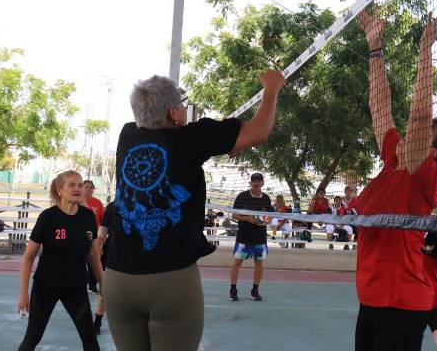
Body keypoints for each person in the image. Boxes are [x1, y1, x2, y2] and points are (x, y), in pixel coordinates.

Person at [103, 70, 285, 351]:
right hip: (170, 279)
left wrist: (220, 143)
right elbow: (259, 131)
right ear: (174, 113)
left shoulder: (127, 135)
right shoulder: (194, 138)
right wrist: (272, 88)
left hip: (118, 279)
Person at [350, 7, 437, 351]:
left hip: (401, 302)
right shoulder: (393, 161)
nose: (409, 136)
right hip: (371, 298)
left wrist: (425, 51)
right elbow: (379, 105)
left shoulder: (421, 175)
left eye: (421, 136)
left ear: (434, 153)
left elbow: (419, 115)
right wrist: (374, 47)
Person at [17, 170, 103, 351]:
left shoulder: (88, 217)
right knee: (32, 338)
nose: (78, 189)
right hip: (46, 286)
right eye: (72, 185)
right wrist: (23, 293)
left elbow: (93, 255)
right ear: (59, 189)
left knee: (90, 341)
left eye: (80, 185)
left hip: (76, 287)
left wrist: (104, 283)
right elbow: (29, 256)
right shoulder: (48, 217)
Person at [229, 172, 275, 301]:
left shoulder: (266, 198)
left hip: (260, 238)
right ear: (251, 183)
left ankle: (255, 291)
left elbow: (268, 217)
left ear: (262, 183)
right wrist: (247, 218)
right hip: (244, 237)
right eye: (254, 181)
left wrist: (266, 221)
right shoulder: (242, 197)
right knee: (237, 263)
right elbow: (234, 215)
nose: (256, 183)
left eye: (259, 181)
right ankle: (233, 290)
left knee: (259, 263)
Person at [93, 202, 114, 335]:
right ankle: (98, 321)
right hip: (113, 252)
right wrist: (98, 247)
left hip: (141, 254)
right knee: (106, 291)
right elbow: (102, 232)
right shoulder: (113, 207)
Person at [82, 180, 106, 293]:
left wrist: (101, 240)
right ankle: (80, 283)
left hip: (93, 238)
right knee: (79, 261)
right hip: (79, 236)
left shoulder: (98, 203)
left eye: (90, 187)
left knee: (94, 261)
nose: (88, 189)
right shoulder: (77, 201)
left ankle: (92, 286)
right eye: (86, 187)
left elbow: (103, 223)